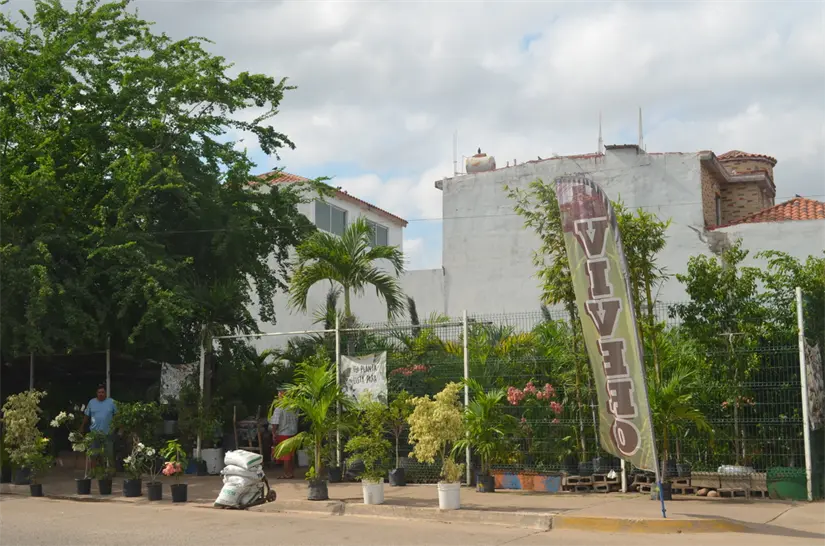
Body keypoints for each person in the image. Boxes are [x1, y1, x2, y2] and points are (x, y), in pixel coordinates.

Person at [81, 384, 117, 468]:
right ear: (96, 393)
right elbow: (87, 415)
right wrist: (82, 426)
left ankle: (111, 472)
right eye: (99, 392)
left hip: (108, 432)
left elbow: (117, 415)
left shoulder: (112, 402)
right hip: (94, 433)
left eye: (103, 392)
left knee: (109, 454)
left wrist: (118, 428)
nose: (101, 394)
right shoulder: (91, 402)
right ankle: (93, 471)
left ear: (105, 393)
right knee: (94, 454)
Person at [269, 390, 298, 479]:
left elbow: (275, 423)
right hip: (293, 433)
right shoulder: (294, 407)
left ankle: (286, 474)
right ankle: (291, 473)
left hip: (283, 434)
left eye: (279, 395)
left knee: (286, 456)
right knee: (291, 454)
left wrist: (274, 433)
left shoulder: (279, 408)